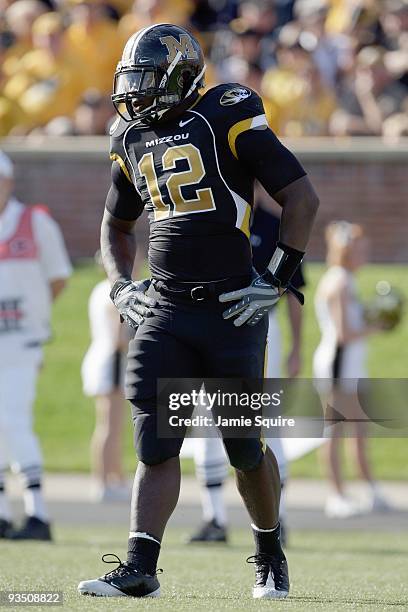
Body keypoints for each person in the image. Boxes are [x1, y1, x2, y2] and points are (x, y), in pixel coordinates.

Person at [77, 23, 318, 600]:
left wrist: (278, 278)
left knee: (243, 445)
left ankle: (269, 554)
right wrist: (119, 285)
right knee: (155, 441)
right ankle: (140, 566)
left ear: (183, 77)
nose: (135, 92)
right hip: (163, 306)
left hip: (231, 305)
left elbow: (301, 199)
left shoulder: (226, 112)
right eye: (130, 80)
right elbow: (115, 224)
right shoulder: (130, 136)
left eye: (146, 79)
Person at [189, 199, 305, 545]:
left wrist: (298, 346)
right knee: (207, 421)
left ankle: (276, 517)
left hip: (260, 322)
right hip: (208, 320)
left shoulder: (273, 224)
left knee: (266, 422)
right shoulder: (206, 215)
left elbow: (295, 290)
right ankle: (214, 518)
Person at [0, 150, 72, 540]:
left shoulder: (35, 221)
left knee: (14, 419)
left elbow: (59, 278)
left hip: (22, 341)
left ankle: (38, 514)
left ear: (8, 182)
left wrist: (32, 317)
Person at [313, 221, 389, 518]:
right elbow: (344, 333)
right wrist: (377, 327)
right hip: (338, 363)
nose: (365, 252)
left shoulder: (348, 279)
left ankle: (370, 490)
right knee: (335, 431)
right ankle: (336, 495)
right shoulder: (339, 282)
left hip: (352, 364)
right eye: (359, 248)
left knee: (360, 430)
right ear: (346, 251)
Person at [81, 267, 132, 503]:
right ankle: (102, 481)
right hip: (111, 362)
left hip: (101, 358)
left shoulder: (99, 289)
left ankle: (115, 478)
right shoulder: (114, 294)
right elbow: (119, 338)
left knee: (112, 426)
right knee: (109, 426)